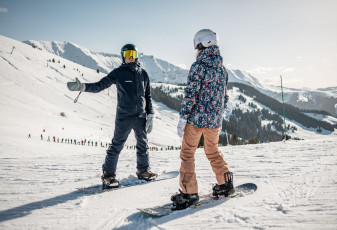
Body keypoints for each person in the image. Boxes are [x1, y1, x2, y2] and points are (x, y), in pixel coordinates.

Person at [67, 44, 157, 188]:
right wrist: (82, 87)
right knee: (116, 146)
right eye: (127, 54)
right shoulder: (118, 73)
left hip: (140, 117)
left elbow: (148, 95)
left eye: (133, 54)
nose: (130, 57)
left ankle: (144, 170)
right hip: (124, 117)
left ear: (136, 55)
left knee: (143, 145)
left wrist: (150, 114)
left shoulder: (143, 73)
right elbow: (100, 85)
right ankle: (108, 176)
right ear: (123, 56)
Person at [171, 29, 235, 210]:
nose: (196, 49)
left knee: (187, 153)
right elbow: (224, 96)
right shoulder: (222, 69)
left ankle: (189, 193)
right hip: (214, 122)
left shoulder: (198, 66)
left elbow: (191, 95)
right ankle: (225, 184)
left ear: (202, 44)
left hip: (196, 120)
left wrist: (183, 118)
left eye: (196, 45)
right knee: (212, 151)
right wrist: (217, 115)